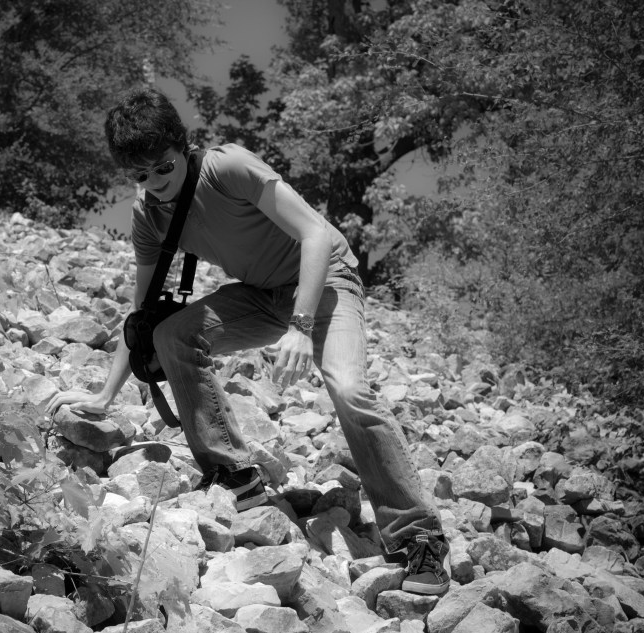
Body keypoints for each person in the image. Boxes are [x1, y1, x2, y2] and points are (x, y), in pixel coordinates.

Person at [46, 87, 449, 595]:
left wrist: (301, 326)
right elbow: (141, 312)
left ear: (183, 146)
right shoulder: (149, 215)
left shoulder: (227, 167)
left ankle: (418, 537)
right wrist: (105, 395)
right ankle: (235, 475)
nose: (155, 181)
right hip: (260, 295)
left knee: (348, 389)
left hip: (326, 283)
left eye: (163, 166)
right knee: (171, 333)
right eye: (141, 174)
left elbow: (317, 234)